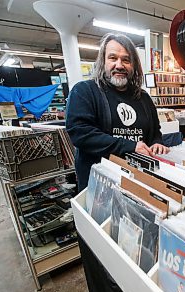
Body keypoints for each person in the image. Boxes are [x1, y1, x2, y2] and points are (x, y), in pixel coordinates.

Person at [66, 33, 169, 189]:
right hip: (100, 186)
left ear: (133, 65)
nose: (119, 65)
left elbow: (155, 132)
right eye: (113, 58)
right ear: (103, 61)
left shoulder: (143, 98)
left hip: (139, 181)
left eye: (126, 60)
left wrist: (157, 143)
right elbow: (81, 134)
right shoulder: (84, 91)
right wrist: (130, 146)